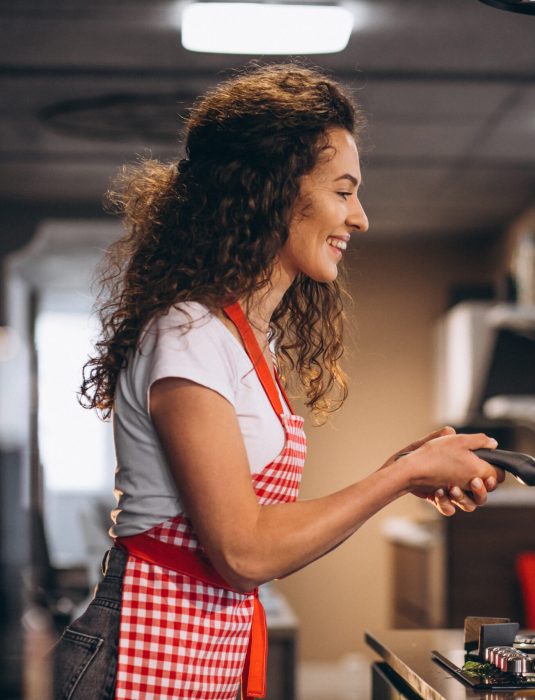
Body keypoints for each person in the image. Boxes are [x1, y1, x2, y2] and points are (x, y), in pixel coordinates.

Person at [50, 63, 504, 699]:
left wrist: (414, 467)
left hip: (199, 655)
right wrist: (397, 477)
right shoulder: (189, 334)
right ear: (273, 191)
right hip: (139, 659)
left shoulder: (240, 336)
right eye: (343, 191)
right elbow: (243, 553)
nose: (361, 218)